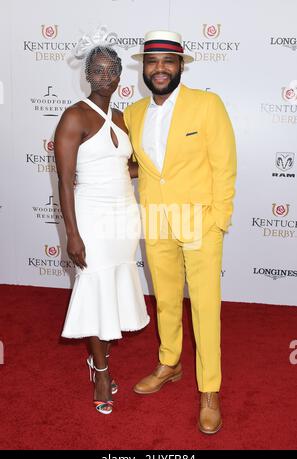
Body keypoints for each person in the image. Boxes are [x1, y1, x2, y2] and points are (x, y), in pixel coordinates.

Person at [123, 30, 236, 433]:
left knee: (205, 307)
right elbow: (138, 164)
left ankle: (210, 389)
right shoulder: (133, 113)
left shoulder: (207, 105)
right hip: (155, 219)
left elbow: (224, 166)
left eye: (168, 61)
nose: (159, 68)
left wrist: (218, 219)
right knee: (167, 299)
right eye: (152, 61)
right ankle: (169, 363)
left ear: (180, 66)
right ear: (144, 67)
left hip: (200, 221)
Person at [54, 38, 150, 415]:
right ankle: (101, 372)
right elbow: (64, 181)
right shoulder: (74, 115)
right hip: (90, 215)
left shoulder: (125, 117)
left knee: (112, 287)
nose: (106, 77)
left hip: (123, 216)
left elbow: (125, 167)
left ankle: (101, 360)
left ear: (120, 74)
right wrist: (72, 235)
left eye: (112, 70)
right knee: (95, 288)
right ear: (87, 75)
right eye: (98, 70)